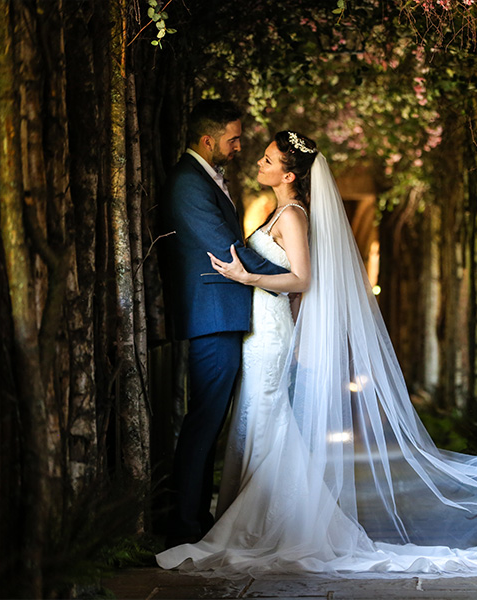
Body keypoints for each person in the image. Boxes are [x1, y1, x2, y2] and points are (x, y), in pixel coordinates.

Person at [156, 131, 477, 577]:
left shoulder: (294, 215)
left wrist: (248, 279)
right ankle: (254, 515)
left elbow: (301, 279)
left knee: (267, 416)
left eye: (267, 159)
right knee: (258, 418)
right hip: (259, 328)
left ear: (289, 174)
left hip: (271, 331)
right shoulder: (281, 210)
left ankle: (274, 523)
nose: (259, 164)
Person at [158, 101, 290, 548]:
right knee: (204, 419)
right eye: (233, 139)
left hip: (225, 313)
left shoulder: (207, 178)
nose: (239, 147)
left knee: (211, 421)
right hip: (211, 315)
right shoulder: (187, 184)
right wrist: (284, 282)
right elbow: (226, 247)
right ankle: (185, 526)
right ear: (207, 140)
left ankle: (195, 517)